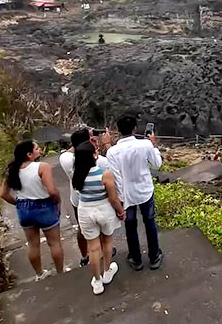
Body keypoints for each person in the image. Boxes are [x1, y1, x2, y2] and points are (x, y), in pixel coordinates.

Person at [1, 140, 65, 281]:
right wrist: (57, 201)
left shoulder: (12, 169)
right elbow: (51, 190)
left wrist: (19, 204)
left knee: (32, 244)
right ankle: (61, 273)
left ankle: (39, 274)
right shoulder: (43, 167)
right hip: (44, 207)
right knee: (54, 242)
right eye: (37, 148)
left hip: (24, 209)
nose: (40, 149)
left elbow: (4, 194)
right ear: (29, 154)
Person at [106, 115, 163, 271]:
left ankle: (136, 259)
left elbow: (116, 177)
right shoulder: (145, 145)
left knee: (130, 227)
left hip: (126, 194)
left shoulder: (112, 152)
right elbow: (157, 165)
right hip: (145, 190)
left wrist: (121, 199)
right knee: (150, 222)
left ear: (118, 130)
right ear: (135, 128)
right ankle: (154, 257)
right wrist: (154, 146)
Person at [72, 141, 124, 295]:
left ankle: (97, 281)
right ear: (94, 155)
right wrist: (121, 212)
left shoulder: (76, 175)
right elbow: (113, 198)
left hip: (85, 211)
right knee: (107, 241)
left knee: (93, 248)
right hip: (104, 209)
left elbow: (77, 193)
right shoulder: (104, 173)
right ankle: (107, 272)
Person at [58, 129, 114, 267]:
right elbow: (112, 163)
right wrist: (102, 145)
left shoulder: (65, 159)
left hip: (80, 202)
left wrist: (81, 140)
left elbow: (71, 151)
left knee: (83, 231)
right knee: (102, 231)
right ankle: (104, 254)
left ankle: (85, 256)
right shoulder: (100, 161)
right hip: (100, 200)